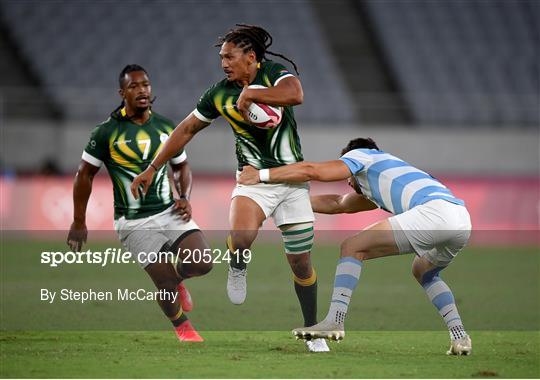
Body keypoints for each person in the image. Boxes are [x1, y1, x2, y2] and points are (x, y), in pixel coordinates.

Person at [131, 24, 329, 352]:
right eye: (221, 57)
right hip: (252, 179)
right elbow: (186, 129)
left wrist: (252, 94)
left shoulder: (274, 74)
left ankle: (312, 331)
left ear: (251, 58)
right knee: (240, 237)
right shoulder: (218, 94)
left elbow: (296, 95)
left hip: (291, 179)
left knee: (301, 263)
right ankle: (238, 264)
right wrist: (153, 167)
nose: (223, 62)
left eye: (230, 56)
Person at [238, 137, 473, 355]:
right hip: (461, 220)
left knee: (352, 247)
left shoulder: (363, 155)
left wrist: (261, 175)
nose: (348, 182)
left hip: (434, 213)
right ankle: (460, 337)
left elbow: (314, 171)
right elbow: (338, 203)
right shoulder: (383, 177)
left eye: (348, 175)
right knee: (424, 272)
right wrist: (283, 203)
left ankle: (335, 320)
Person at [67, 64, 212, 342]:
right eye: (134, 86)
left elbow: (181, 166)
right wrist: (78, 220)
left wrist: (184, 197)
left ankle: (180, 279)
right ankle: (184, 330)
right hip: (133, 222)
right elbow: (84, 174)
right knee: (164, 283)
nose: (142, 90)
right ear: (122, 93)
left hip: (169, 211)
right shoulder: (105, 132)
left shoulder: (167, 126)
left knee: (203, 263)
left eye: (145, 84)